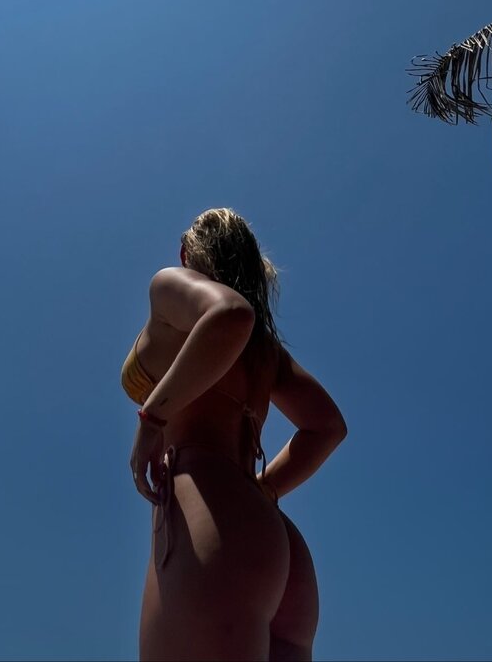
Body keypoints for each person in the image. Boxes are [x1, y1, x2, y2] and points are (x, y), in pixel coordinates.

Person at [121, 208, 347, 662]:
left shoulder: (168, 286)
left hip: (207, 515)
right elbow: (326, 427)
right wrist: (264, 490)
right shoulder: (265, 349)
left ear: (187, 253)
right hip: (271, 538)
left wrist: (152, 419)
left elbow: (230, 313)